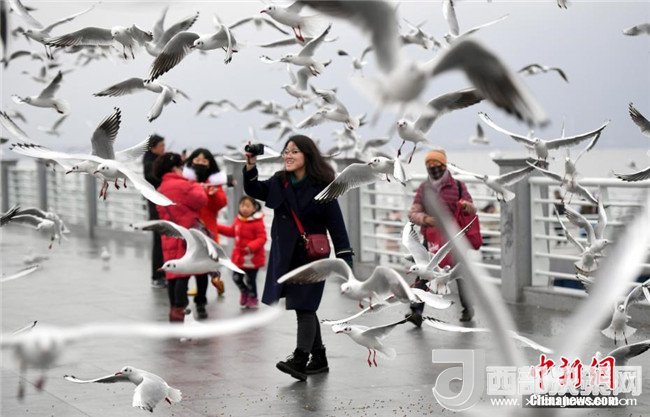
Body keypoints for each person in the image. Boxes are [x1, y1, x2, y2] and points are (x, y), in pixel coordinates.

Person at [243, 134, 354, 381]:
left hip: (313, 256)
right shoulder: (279, 181)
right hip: (287, 254)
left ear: (307, 155)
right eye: (286, 151)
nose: (288, 155)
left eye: (294, 151)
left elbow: (336, 225)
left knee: (304, 306)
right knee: (305, 305)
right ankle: (319, 358)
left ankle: (300, 359)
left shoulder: (323, 186)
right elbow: (253, 189)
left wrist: (345, 260)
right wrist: (251, 164)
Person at [408, 148, 477, 325]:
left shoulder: (458, 186)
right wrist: (426, 219)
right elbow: (413, 213)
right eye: (429, 164)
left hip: (454, 238)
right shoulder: (424, 189)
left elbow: (472, 208)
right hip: (431, 238)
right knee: (423, 273)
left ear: (444, 164)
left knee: (459, 274)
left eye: (436, 163)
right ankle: (416, 312)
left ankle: (467, 308)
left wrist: (466, 206)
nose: (433, 167)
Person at [153, 153, 208, 323]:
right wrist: (197, 185)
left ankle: (174, 311)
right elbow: (201, 200)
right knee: (184, 273)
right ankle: (181, 309)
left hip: (169, 236)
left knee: (173, 274)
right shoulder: (184, 185)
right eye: (181, 167)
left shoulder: (160, 188)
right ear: (175, 168)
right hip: (186, 235)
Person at [183, 148, 229, 318]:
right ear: (191, 161)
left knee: (202, 268)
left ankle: (201, 302)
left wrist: (213, 195)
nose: (200, 163)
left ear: (210, 164)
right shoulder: (184, 180)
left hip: (207, 230)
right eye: (197, 160)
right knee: (185, 266)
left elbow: (221, 203)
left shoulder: (214, 183)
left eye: (204, 161)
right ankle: (181, 302)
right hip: (187, 229)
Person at [217, 196, 267, 309]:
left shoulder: (257, 222)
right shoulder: (238, 220)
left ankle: (253, 298)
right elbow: (232, 231)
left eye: (248, 206)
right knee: (236, 278)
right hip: (239, 258)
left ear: (254, 208)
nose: (244, 208)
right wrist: (217, 227)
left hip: (253, 260)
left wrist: (251, 246)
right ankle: (244, 292)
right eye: (242, 205)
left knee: (250, 280)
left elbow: (262, 238)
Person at [143, 134, 167, 289]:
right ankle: (157, 276)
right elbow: (155, 178)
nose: (164, 148)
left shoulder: (154, 160)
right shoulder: (150, 163)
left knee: (164, 241)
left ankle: (163, 274)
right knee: (159, 241)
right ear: (153, 147)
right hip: (156, 207)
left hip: (160, 206)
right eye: (161, 146)